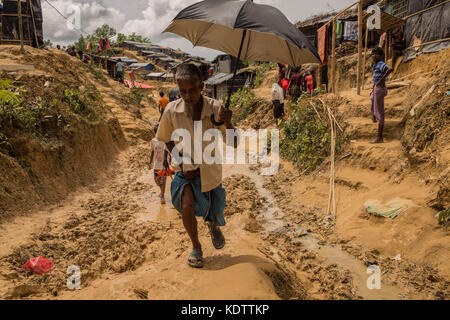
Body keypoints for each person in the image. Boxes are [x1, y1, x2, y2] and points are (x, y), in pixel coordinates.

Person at [156, 63, 238, 268]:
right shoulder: (171, 111)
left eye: (192, 90)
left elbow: (234, 143)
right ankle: (196, 247)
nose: (187, 95)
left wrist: (228, 123)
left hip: (209, 170)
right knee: (187, 207)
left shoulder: (216, 108)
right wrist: (182, 162)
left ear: (201, 86)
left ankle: (212, 225)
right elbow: (166, 139)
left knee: (213, 211)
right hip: (184, 171)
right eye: (182, 91)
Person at [370, 47, 392, 144]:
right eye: (372, 54)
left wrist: (382, 80)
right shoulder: (375, 65)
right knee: (372, 98)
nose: (374, 56)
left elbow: (390, 69)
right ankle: (374, 116)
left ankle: (380, 137)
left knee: (379, 111)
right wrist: (373, 88)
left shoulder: (381, 64)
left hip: (380, 88)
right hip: (376, 88)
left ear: (381, 55)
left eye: (376, 54)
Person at [149, 136, 171, 204]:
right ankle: (161, 192)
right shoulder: (153, 141)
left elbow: (169, 150)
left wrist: (170, 159)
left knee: (163, 181)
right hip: (156, 165)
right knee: (157, 180)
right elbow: (152, 151)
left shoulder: (166, 140)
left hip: (164, 165)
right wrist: (150, 162)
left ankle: (162, 196)